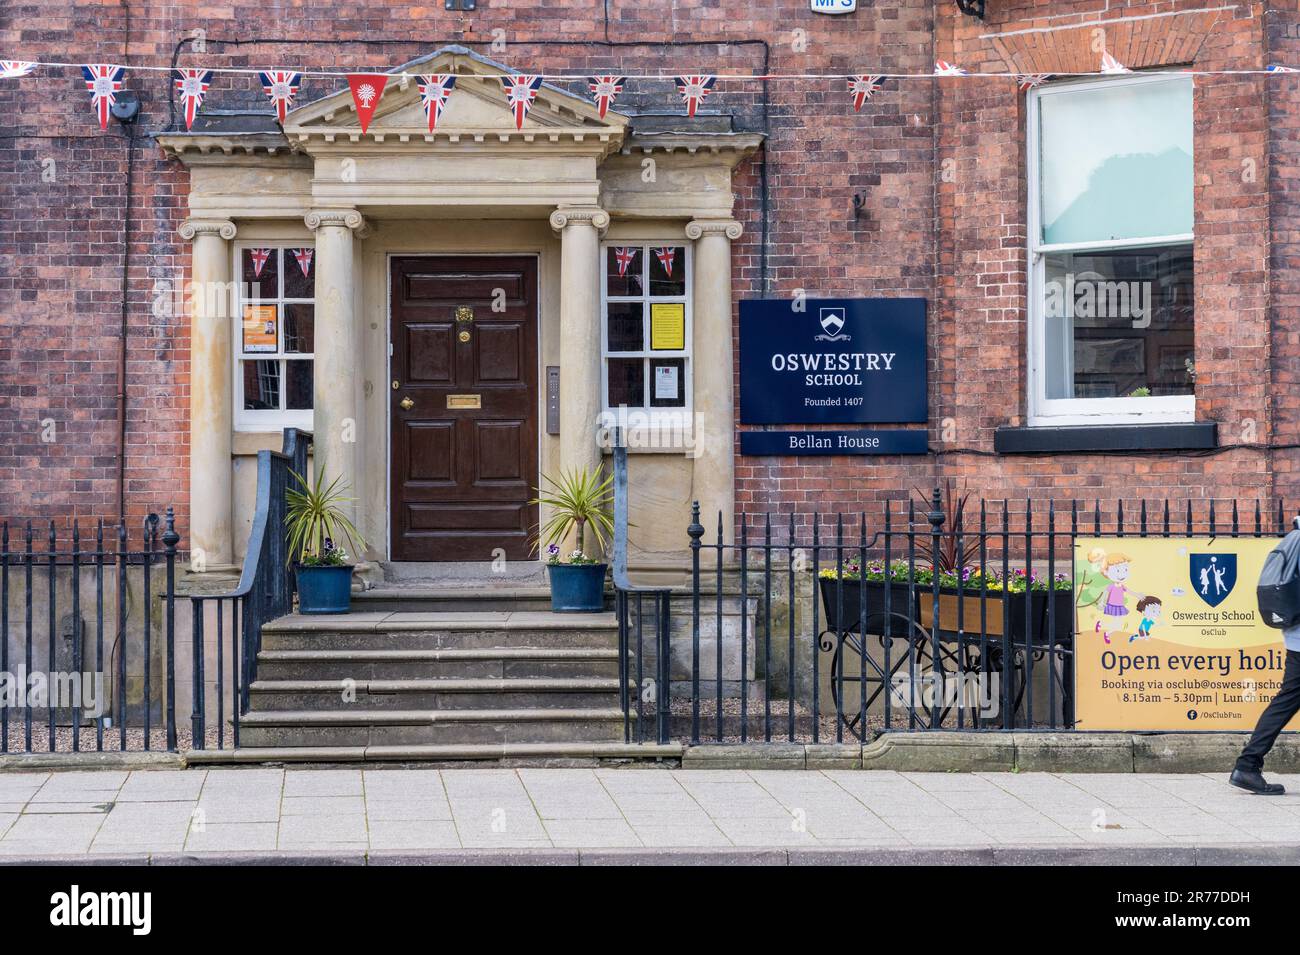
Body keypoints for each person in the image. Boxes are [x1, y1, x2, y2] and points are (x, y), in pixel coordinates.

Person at [1231, 621, 1300, 795]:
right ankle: (1247, 765)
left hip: (1295, 638)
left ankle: (1247, 765)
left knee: (1285, 702)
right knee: (1286, 701)